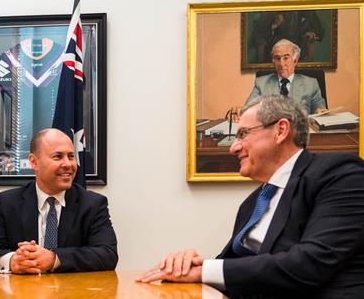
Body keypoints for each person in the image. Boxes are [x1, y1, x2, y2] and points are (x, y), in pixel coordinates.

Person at [137, 95, 364, 298]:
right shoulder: (254, 202)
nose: (233, 147)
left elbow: (311, 263)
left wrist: (204, 270)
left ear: (281, 130)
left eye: (243, 134)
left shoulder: (340, 174)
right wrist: (188, 264)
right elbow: (241, 269)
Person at [0, 128, 118, 273]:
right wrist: (12, 260)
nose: (68, 164)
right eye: (58, 156)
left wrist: (54, 259)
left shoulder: (93, 204)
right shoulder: (8, 202)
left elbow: (108, 255)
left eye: (71, 156)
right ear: (34, 162)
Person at [245, 39, 326, 114]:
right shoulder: (261, 83)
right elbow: (248, 109)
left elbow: (319, 109)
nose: (281, 64)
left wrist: (319, 111)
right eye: (277, 58)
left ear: (295, 60)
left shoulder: (311, 84)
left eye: (286, 58)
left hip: (300, 128)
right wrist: (241, 111)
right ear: (273, 61)